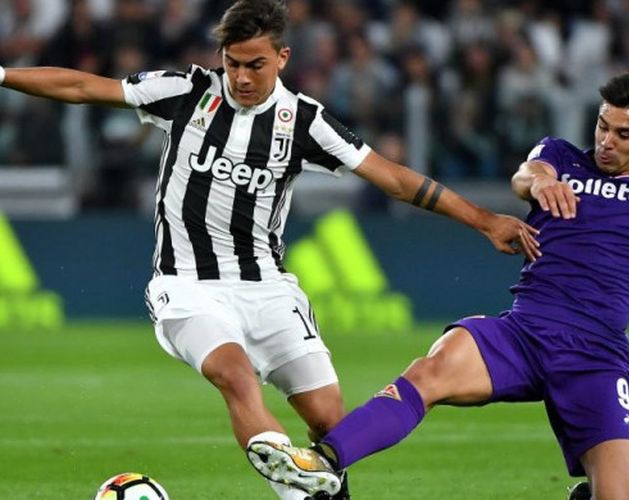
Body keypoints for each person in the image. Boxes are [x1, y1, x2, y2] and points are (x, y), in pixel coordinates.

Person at [0, 1, 540, 499]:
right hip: (187, 286)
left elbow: (394, 180)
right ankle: (292, 487)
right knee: (234, 375)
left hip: (267, 288)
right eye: (232, 63)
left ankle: (316, 486)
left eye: (254, 64)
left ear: (282, 57)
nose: (240, 76)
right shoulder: (184, 90)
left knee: (330, 421)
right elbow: (81, 87)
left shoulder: (305, 120)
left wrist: (483, 219)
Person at [245, 71, 629, 499]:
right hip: (523, 334)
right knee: (431, 369)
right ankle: (323, 464)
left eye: (622, 134)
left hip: (596, 356)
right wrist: (541, 181)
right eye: (601, 126)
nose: (606, 141)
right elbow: (527, 173)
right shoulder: (562, 158)